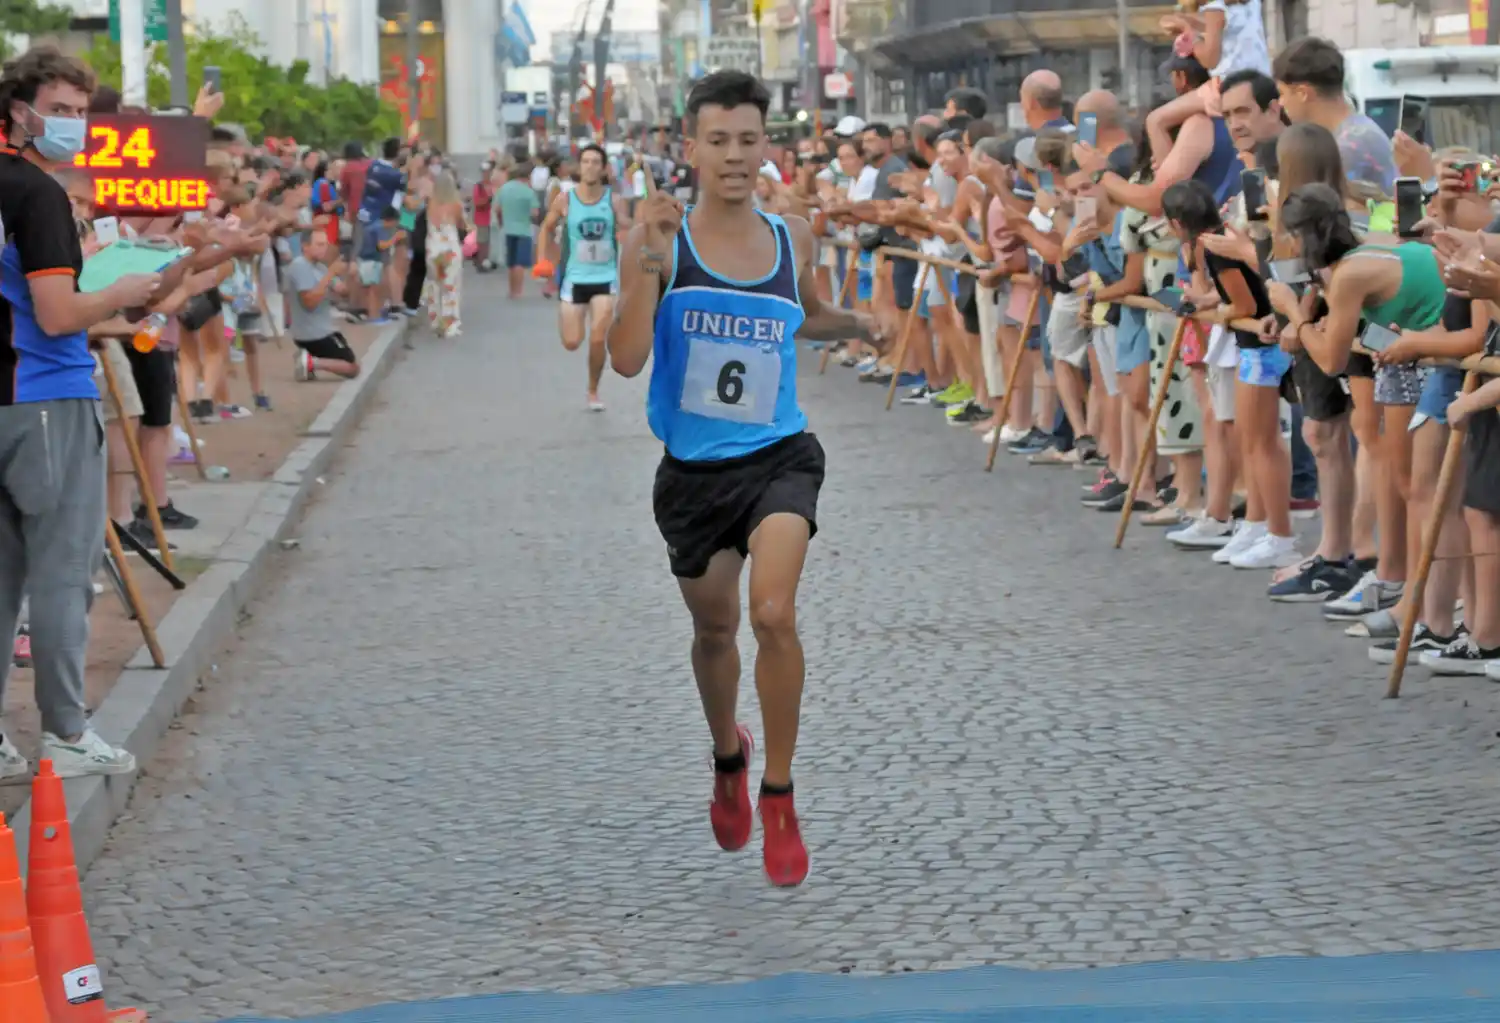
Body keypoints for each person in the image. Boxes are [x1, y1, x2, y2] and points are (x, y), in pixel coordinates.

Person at [606, 70, 887, 887]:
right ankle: (730, 754)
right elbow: (626, 359)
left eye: (748, 140)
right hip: (694, 475)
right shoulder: (660, 240)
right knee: (715, 632)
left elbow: (807, 314)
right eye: (718, 141)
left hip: (779, 459)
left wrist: (864, 324)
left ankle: (778, 793)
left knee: (773, 611)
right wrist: (648, 270)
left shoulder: (790, 235)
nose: (734, 157)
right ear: (689, 146)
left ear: (767, 145)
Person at [0, 45, 162, 779]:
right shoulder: (36, 195)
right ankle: (65, 731)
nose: (71, 124)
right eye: (58, 110)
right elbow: (60, 312)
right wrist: (121, 293)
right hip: (47, 397)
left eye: (78, 112)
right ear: (18, 109)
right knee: (63, 574)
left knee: (4, 579)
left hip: (11, 400)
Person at [538, 144, 632, 411]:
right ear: (579, 167)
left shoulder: (612, 200)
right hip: (574, 279)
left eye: (595, 162)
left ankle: (593, 390)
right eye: (586, 161)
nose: (590, 166)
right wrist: (543, 260)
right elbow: (546, 228)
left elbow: (628, 224)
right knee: (571, 342)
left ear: (603, 168)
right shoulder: (565, 200)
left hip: (605, 278)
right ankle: (571, 327)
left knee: (598, 337)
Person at [287, 228, 361, 381]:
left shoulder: (320, 267)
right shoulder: (299, 266)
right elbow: (310, 303)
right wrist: (331, 274)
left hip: (323, 330)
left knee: (351, 362)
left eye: (325, 245)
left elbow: (344, 293)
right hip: (312, 333)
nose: (324, 249)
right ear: (305, 246)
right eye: (319, 244)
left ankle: (309, 361)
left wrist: (350, 275)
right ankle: (309, 362)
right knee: (352, 368)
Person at [498, 164, 539, 300]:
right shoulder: (528, 191)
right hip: (524, 229)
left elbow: (497, 208)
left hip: (508, 228)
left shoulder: (504, 188)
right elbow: (534, 212)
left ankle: (511, 290)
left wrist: (502, 220)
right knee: (520, 262)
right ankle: (518, 291)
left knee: (511, 262)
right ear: (527, 177)